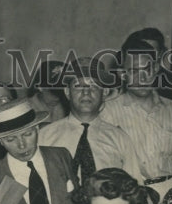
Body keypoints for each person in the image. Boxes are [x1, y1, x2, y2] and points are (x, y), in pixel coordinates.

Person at [99, 32, 172, 204]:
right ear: (123, 74)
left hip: (171, 195)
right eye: (133, 71)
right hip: (130, 195)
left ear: (155, 69)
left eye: (146, 70)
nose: (141, 78)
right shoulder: (108, 110)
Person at [38, 57, 131, 185]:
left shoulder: (120, 138)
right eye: (78, 86)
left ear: (105, 92)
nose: (86, 92)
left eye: (93, 86)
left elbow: (133, 189)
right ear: (67, 92)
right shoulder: (45, 136)